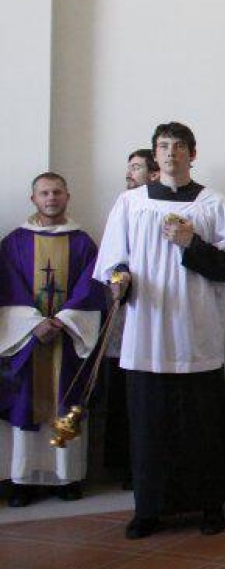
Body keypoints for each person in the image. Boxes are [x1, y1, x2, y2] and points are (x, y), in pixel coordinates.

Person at [94, 121, 225, 539]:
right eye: (163, 147)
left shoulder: (212, 203)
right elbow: (113, 261)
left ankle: (210, 505)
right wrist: (120, 279)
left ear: (193, 154)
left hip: (196, 330)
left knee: (201, 425)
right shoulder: (131, 203)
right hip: (147, 330)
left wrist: (192, 244)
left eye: (179, 147)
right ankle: (149, 508)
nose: (171, 154)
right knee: (149, 426)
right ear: (154, 155)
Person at [0, 172, 104, 507]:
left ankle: (67, 478)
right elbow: (7, 286)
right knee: (26, 402)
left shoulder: (83, 242)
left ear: (67, 196)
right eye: (44, 193)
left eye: (57, 192)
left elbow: (90, 287)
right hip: (27, 342)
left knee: (65, 399)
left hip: (67, 337)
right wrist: (32, 325)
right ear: (33, 199)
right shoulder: (14, 242)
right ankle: (23, 481)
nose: (51, 198)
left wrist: (61, 320)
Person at [105, 148, 161, 490]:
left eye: (137, 168)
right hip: (129, 315)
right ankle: (126, 465)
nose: (130, 174)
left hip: (161, 313)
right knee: (126, 396)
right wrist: (118, 276)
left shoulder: (170, 208)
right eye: (129, 168)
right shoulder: (124, 206)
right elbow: (113, 258)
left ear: (155, 174)